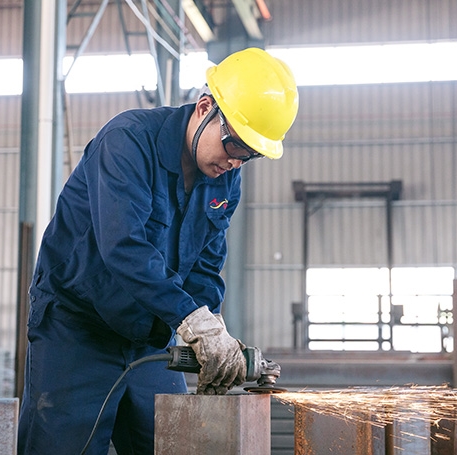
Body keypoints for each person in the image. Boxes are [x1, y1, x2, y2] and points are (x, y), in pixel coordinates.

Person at [17, 47, 299, 455]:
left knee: (173, 444)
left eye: (249, 155)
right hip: (77, 329)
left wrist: (210, 326)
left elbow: (205, 264)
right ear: (205, 108)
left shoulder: (224, 179)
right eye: (235, 145)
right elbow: (124, 247)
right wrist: (192, 319)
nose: (236, 162)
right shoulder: (127, 142)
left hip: (149, 337)